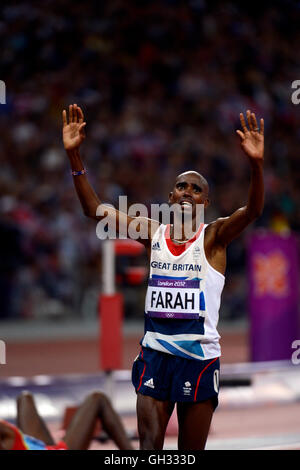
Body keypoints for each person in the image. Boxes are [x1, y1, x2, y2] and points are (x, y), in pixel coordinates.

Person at [62, 104, 264, 450]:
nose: (187, 191)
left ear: (205, 203)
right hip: (155, 354)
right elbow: (93, 210)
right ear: (170, 197)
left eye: (195, 189)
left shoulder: (213, 237)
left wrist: (256, 165)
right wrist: (75, 157)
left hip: (198, 360)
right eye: (181, 186)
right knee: (149, 446)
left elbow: (253, 211)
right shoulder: (152, 232)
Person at [0, 390, 133, 450]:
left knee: (24, 398)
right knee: (98, 399)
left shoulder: (8, 435)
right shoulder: (7, 437)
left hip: (42, 446)